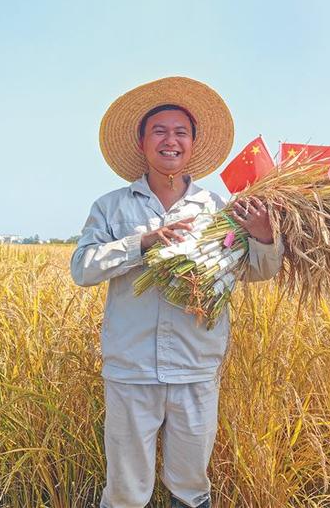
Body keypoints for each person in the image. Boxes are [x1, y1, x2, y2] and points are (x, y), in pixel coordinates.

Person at [70, 76, 283, 508]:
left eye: (181, 132)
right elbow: (82, 269)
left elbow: (256, 271)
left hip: (195, 367)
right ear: (142, 142)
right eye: (160, 131)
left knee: (190, 486)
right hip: (130, 371)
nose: (171, 141)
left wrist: (263, 236)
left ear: (193, 144)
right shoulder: (112, 207)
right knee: (127, 489)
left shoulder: (221, 209)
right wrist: (142, 244)